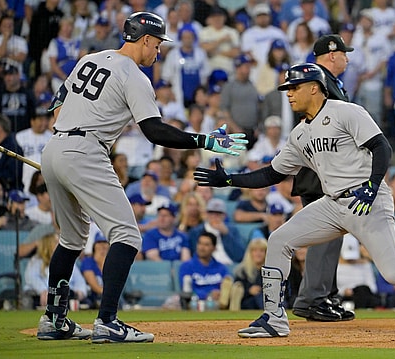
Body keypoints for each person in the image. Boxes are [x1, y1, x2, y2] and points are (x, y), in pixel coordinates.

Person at [194, 62, 395, 338]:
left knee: (394, 272)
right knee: (279, 240)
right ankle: (274, 318)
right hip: (333, 204)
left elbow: (381, 147)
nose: (289, 95)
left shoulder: (346, 111)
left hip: (367, 200)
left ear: (315, 87)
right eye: (287, 90)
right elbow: (272, 174)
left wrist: (373, 185)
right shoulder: (299, 134)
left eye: (294, 88)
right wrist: (230, 180)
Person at [36, 12, 247, 343]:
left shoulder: (89, 59)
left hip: (55, 148)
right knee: (127, 236)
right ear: (146, 39)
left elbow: (58, 101)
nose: (159, 51)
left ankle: (53, 319)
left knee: (72, 240)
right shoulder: (133, 75)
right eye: (158, 44)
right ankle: (107, 320)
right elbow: (154, 131)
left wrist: (65, 141)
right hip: (86, 151)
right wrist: (204, 140)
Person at [292, 34, 355, 323]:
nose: (347, 58)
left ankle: (325, 295)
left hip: (327, 172)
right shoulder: (316, 82)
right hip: (320, 173)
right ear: (332, 54)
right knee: (324, 236)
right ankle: (312, 299)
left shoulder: (328, 83)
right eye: (344, 53)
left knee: (333, 235)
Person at [24, 233, 88, 309]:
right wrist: (43, 290)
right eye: (56, 242)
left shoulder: (67, 261)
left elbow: (79, 280)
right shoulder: (36, 261)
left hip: (67, 297)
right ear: (47, 245)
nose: (60, 245)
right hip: (42, 297)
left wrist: (79, 292)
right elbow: (32, 278)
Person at [232, 238, 268, 310]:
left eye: (261, 251)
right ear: (250, 253)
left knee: (259, 297)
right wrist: (249, 291)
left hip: (265, 300)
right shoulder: (241, 271)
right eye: (255, 251)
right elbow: (238, 290)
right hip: (247, 302)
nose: (258, 254)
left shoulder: (271, 271)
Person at [80, 233, 110, 309]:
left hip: (107, 298)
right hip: (91, 298)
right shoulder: (88, 261)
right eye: (99, 242)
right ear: (94, 245)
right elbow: (93, 285)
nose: (102, 245)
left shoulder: (112, 263)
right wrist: (110, 296)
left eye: (105, 242)